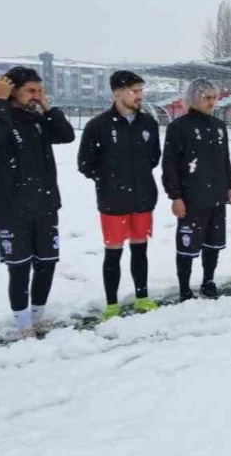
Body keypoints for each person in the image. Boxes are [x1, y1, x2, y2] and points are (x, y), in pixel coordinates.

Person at [0, 66, 76, 337]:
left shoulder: (38, 119)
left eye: (40, 90)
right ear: (10, 92)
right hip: (12, 209)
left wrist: (47, 107)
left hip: (45, 205)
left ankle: (37, 317)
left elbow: (66, 135)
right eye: (30, 91)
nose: (36, 95)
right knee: (19, 269)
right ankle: (22, 325)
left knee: (47, 264)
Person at [77, 71, 161, 320]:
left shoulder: (148, 123)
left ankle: (142, 297)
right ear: (117, 92)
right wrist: (110, 179)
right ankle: (112, 305)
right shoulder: (98, 125)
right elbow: (85, 164)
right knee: (113, 252)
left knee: (140, 250)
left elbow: (154, 158)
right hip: (113, 201)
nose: (139, 96)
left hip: (143, 198)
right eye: (134, 91)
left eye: (141, 91)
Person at [161, 79, 231, 301]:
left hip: (216, 196)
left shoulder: (219, 126)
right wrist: (175, 196)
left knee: (213, 243)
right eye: (207, 98)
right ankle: (184, 287)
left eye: (215, 97)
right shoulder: (179, 127)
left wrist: (229, 186)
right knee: (187, 245)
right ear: (195, 98)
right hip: (191, 197)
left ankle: (208, 281)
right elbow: (170, 164)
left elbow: (224, 159)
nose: (212, 102)